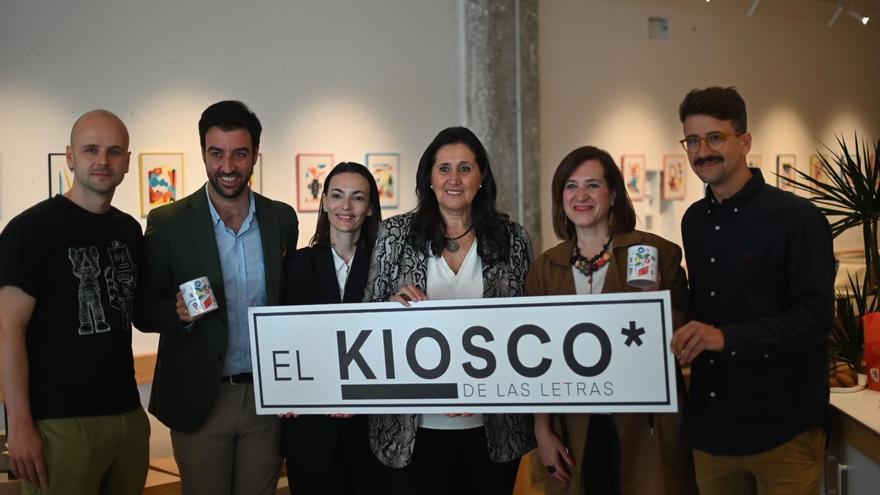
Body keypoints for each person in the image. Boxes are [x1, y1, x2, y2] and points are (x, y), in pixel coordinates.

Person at [673, 86, 835, 494]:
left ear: (745, 141)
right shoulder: (693, 221)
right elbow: (706, 303)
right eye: (692, 140)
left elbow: (813, 321)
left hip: (782, 432)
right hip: (712, 433)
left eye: (715, 138)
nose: (702, 150)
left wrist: (725, 337)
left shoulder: (798, 219)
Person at [134, 100, 298, 495]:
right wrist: (176, 313)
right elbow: (143, 310)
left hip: (267, 396)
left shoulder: (281, 219)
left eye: (239, 154)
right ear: (204, 153)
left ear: (255, 155)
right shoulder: (169, 222)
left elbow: (290, 302)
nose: (228, 166)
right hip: (199, 399)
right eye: (217, 153)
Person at [363, 126, 535, 495]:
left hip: (494, 425)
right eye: (443, 169)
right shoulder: (394, 234)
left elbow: (531, 325)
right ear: (429, 176)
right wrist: (391, 308)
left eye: (464, 168)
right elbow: (367, 318)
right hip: (411, 428)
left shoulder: (512, 237)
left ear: (482, 175)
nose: (453, 179)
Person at [526, 145, 697, 495]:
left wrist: (659, 307)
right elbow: (534, 358)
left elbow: (684, 332)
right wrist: (542, 431)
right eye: (571, 186)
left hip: (644, 424)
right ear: (561, 198)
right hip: (574, 423)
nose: (581, 196)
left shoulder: (653, 252)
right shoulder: (545, 267)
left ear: (614, 193)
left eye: (593, 185)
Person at [0, 110, 149, 494]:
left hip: (128, 417)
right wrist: (18, 426)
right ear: (70, 157)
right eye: (91, 150)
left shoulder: (129, 230)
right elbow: (7, 329)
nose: (103, 161)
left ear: (127, 162)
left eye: (115, 151)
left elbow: (139, 308)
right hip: (60, 425)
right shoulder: (30, 230)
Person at [280, 162, 386, 494]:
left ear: (369, 208)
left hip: (369, 429)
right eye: (337, 196)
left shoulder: (384, 268)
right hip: (311, 428)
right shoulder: (297, 264)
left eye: (357, 198)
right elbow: (284, 337)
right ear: (324, 201)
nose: (346, 206)